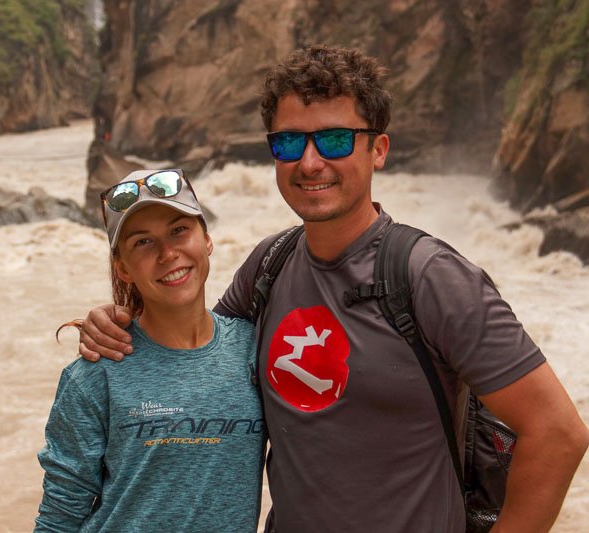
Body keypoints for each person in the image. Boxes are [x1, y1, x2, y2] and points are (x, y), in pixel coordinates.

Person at [75, 45, 589, 532]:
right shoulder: (269, 267)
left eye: (337, 139)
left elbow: (558, 433)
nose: (311, 161)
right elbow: (196, 347)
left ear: (378, 149)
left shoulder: (430, 277)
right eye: (290, 142)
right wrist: (119, 322)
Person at [33, 169, 266, 532]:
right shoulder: (97, 371)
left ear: (206, 240)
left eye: (178, 230)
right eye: (143, 242)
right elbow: (60, 516)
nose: (168, 253)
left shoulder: (254, 351)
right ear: (122, 268)